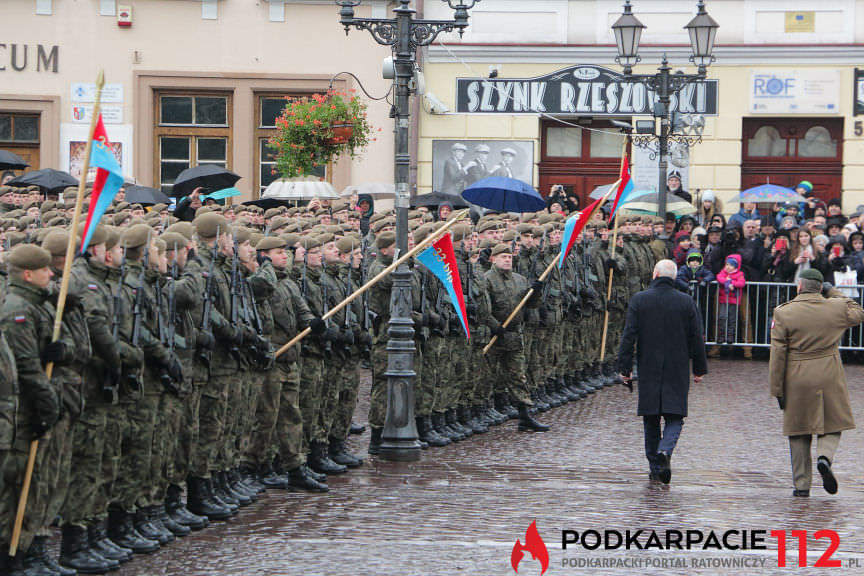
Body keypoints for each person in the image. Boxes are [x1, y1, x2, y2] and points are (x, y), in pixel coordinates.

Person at [769, 268, 864, 497]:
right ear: (821, 288)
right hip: (829, 371)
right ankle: (824, 457)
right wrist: (835, 292)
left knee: (798, 431)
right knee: (833, 423)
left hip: (797, 373)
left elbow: (778, 354)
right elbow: (858, 312)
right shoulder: (836, 307)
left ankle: (801, 486)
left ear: (799, 286)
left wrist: (777, 389)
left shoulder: (784, 312)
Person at [617, 259, 708, 485]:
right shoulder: (686, 301)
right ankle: (665, 450)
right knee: (675, 416)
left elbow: (629, 336)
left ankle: (655, 466)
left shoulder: (640, 299)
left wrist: (624, 368)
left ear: (655, 273)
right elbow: (697, 338)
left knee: (650, 418)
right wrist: (699, 368)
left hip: (649, 365)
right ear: (674, 277)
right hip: (676, 366)